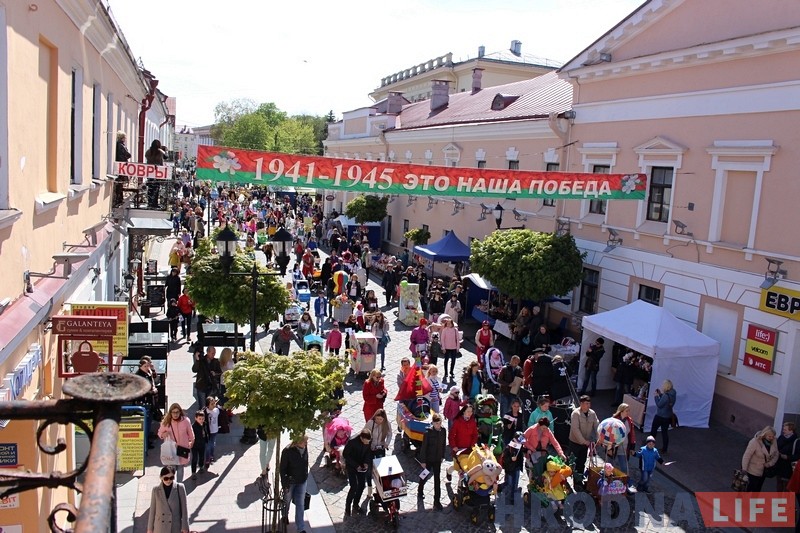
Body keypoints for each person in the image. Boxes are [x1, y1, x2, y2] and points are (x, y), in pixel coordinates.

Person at [157, 404, 194, 483]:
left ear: (180, 412)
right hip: (171, 450)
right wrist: (163, 434)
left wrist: (191, 441)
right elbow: (159, 433)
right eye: (173, 412)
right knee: (171, 470)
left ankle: (179, 485)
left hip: (182, 449)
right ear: (170, 413)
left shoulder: (186, 421)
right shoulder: (166, 422)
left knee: (180, 468)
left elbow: (191, 433)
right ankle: (172, 484)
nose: (175, 414)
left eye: (177, 412)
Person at [280, 434, 310, 532]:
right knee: (287, 500)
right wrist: (285, 484)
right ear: (298, 442)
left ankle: (300, 528)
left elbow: (305, 462)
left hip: (302, 481)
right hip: (290, 482)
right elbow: (282, 469)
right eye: (304, 442)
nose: (306, 444)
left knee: (300, 504)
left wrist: (305, 475)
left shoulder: (305, 448)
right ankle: (284, 515)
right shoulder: (287, 451)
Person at [147, 465, 189, 533]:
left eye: (171, 478)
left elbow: (184, 509)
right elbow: (152, 510)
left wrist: (185, 526)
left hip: (174, 526)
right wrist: (150, 529)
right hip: (160, 527)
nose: (169, 480)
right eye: (166, 478)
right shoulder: (155, 490)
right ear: (161, 477)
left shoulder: (180, 488)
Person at [417, 413, 447, 510]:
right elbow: (424, 447)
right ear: (433, 423)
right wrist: (423, 461)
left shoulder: (443, 431)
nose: (439, 425)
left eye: (440, 423)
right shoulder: (428, 433)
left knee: (437, 480)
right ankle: (420, 490)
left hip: (437, 459)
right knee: (424, 475)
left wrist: (442, 456)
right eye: (437, 423)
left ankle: (437, 501)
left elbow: (443, 444)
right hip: (428, 459)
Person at [569, 396, 599, 490]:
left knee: (582, 462)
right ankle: (573, 481)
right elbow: (575, 429)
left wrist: (599, 438)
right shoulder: (575, 414)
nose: (588, 405)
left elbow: (597, 426)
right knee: (573, 463)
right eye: (586, 403)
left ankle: (579, 480)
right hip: (575, 442)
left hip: (586, 443)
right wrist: (583, 441)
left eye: (589, 403)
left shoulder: (592, 413)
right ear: (581, 404)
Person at [343, 428, 373, 516]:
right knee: (353, 486)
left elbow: (368, 453)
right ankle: (347, 506)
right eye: (366, 442)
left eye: (368, 442)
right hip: (352, 466)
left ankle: (356, 504)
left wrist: (366, 463)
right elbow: (346, 455)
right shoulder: (352, 442)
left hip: (362, 466)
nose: (367, 443)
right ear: (361, 438)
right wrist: (356, 465)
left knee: (362, 485)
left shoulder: (368, 441)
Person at [446, 403, 479, 481]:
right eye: (468, 411)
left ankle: (460, 485)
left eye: (471, 411)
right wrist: (454, 446)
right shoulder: (457, 422)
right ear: (464, 412)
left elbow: (475, 434)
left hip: (469, 449)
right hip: (458, 449)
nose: (470, 413)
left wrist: (472, 444)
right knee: (457, 467)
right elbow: (451, 435)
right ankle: (448, 471)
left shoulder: (473, 422)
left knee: (464, 467)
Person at [607, 403, 637, 488]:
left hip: (624, 448)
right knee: (610, 466)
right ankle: (608, 482)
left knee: (624, 467)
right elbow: (609, 435)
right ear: (621, 411)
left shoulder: (629, 421)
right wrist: (609, 448)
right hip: (614, 448)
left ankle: (624, 484)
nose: (628, 412)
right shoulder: (614, 420)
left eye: (628, 411)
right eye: (627, 411)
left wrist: (632, 447)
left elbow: (632, 434)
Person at [363, 409, 392, 496]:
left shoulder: (387, 424)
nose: (379, 421)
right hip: (370, 448)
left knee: (380, 469)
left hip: (380, 448)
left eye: (381, 419)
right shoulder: (370, 423)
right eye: (377, 419)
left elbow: (390, 434)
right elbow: (364, 433)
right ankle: (369, 489)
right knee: (369, 469)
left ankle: (379, 489)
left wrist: (386, 443)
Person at [742, 426, 779, 492]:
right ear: (764, 435)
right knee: (749, 489)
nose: (771, 438)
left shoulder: (774, 441)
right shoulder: (755, 442)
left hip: (764, 471)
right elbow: (747, 456)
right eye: (769, 436)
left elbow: (776, 454)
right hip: (752, 470)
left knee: (757, 489)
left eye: (773, 436)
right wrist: (744, 469)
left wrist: (769, 464)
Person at [650, 379, 676, 454]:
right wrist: (660, 394)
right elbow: (666, 401)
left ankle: (650, 445)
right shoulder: (673, 394)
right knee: (664, 432)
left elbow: (659, 404)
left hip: (660, 416)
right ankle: (664, 448)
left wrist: (656, 396)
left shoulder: (666, 396)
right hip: (667, 416)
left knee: (654, 430)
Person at [498, 431, 526, 504]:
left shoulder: (520, 446)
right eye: (519, 441)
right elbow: (504, 459)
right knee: (509, 484)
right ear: (514, 439)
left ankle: (512, 498)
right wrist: (511, 458)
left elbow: (521, 456)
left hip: (517, 467)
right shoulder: (509, 447)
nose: (520, 443)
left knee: (515, 484)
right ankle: (504, 492)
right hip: (509, 469)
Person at [776, 422, 800, 491]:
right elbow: (776, 447)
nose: (783, 431)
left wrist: (787, 457)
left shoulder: (797, 441)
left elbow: (798, 455)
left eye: (785, 430)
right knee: (779, 484)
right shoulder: (781, 437)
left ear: (791, 431)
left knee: (787, 487)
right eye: (783, 429)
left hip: (788, 468)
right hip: (779, 465)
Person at [439, 315, 461, 380]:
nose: (448, 325)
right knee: (446, 360)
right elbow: (442, 339)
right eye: (447, 323)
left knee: (453, 360)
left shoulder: (455, 330)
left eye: (449, 323)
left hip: (454, 348)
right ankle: (446, 372)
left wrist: (458, 348)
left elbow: (457, 339)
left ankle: (451, 372)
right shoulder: (444, 330)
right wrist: (443, 348)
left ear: (452, 324)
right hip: (447, 348)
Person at [190, 411, 208, 480]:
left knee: (201, 457)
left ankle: (201, 466)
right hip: (195, 445)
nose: (201, 420)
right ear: (196, 418)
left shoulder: (204, 424)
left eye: (203, 419)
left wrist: (206, 439)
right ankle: (193, 472)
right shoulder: (193, 427)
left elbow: (205, 432)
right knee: (194, 458)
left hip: (202, 444)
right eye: (199, 419)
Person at [203, 396, 221, 467]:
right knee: (208, 446)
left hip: (215, 430)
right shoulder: (205, 412)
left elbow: (221, 416)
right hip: (208, 431)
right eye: (212, 404)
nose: (214, 405)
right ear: (208, 405)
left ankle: (211, 455)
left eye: (214, 403)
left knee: (212, 443)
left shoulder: (217, 410)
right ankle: (207, 459)